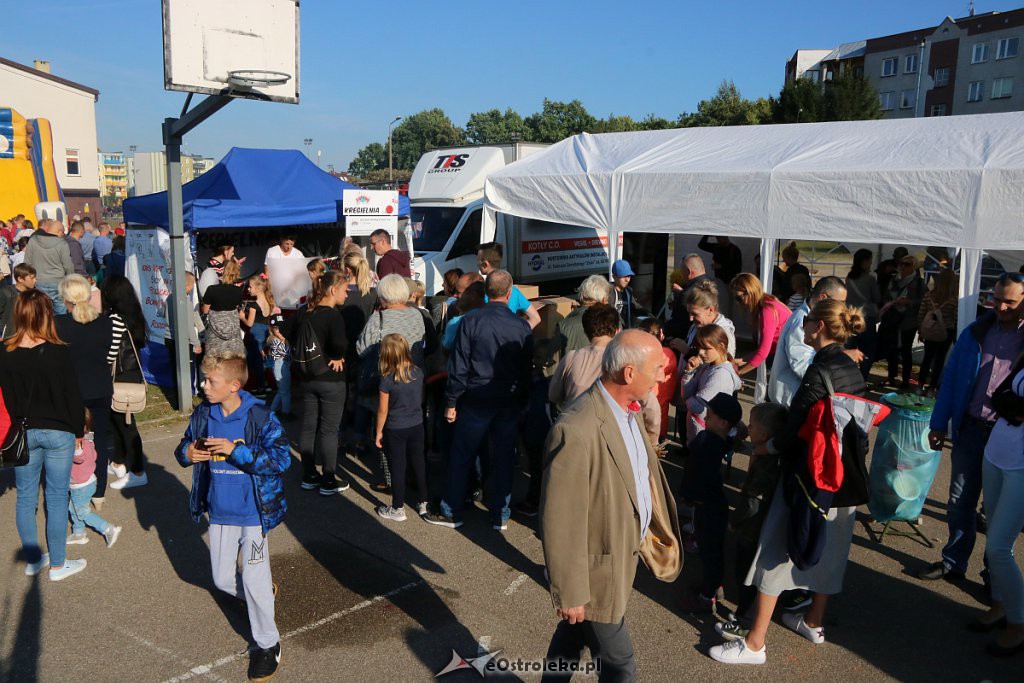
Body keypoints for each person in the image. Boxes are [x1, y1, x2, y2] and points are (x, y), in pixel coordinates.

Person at [710, 299, 870, 665]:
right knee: (831, 548)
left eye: (808, 320)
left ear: (819, 327)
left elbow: (795, 427)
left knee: (774, 552)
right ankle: (813, 621)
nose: (802, 326)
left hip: (807, 475)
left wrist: (764, 447)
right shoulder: (852, 366)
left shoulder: (820, 370)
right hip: (841, 477)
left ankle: (754, 643)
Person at [540, 329, 681, 681]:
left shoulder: (626, 410)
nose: (664, 377)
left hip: (618, 558)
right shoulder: (576, 429)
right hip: (594, 575)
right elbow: (560, 519)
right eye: (658, 369)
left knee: (570, 645)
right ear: (629, 374)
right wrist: (571, 592)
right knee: (620, 665)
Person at [174, 353, 289, 682]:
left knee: (253, 581)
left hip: (253, 514)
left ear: (234, 386)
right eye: (204, 379)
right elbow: (184, 444)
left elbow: (281, 458)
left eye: (211, 381)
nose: (204, 385)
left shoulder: (258, 415)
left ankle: (269, 644)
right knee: (223, 580)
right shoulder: (204, 413)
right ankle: (264, 592)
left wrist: (236, 450)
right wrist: (187, 453)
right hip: (220, 512)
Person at [918, 272, 1024, 582]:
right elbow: (950, 380)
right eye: (996, 299)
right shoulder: (974, 332)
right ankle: (953, 561)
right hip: (971, 430)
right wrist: (938, 424)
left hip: (1008, 437)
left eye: (1010, 302)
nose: (1001, 307)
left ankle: (997, 576)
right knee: (959, 501)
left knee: (999, 513)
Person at [424, 270, 534, 530]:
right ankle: (500, 514)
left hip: (475, 398)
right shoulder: (520, 326)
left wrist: (451, 402)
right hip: (506, 400)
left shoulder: (470, 322)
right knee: (504, 456)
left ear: (486, 292)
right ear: (510, 294)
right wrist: (523, 401)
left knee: (462, 454)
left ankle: (452, 510)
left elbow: (459, 367)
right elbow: (525, 370)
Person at [0, 289, 87, 581]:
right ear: (45, 314)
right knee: (56, 496)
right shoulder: (59, 350)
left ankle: (34, 559)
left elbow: (8, 397)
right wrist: (78, 429)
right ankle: (59, 565)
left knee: (26, 498)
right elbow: (72, 395)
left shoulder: (5, 351)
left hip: (23, 429)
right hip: (59, 429)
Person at [971, 353, 1024, 656]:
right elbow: (999, 394)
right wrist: (1014, 408)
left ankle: (1019, 623)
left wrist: (1010, 406)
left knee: (999, 548)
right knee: (997, 538)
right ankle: (1001, 605)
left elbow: (1006, 400)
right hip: (997, 453)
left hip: (1020, 467)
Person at [282, 270, 349, 495]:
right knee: (329, 430)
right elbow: (340, 344)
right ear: (332, 290)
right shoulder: (333, 315)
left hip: (307, 376)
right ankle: (328, 479)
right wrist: (337, 356)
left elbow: (283, 330)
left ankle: (309, 475)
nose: (347, 294)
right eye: (344, 289)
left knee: (308, 426)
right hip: (331, 378)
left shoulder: (303, 313)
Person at [725, 402, 788, 633]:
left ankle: (743, 617)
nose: (748, 429)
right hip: (765, 525)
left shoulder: (764, 463)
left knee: (745, 572)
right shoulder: (774, 457)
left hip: (751, 530)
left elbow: (752, 503)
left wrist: (735, 521)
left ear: (763, 434)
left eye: (751, 426)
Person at [56, 274, 116, 508]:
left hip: (71, 392)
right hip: (100, 387)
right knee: (99, 439)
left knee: (69, 442)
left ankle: (72, 486)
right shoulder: (105, 322)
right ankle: (98, 491)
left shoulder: (59, 324)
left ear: (66, 299)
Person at [680, 393, 743, 615]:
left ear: (723, 423)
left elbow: (694, 473)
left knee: (710, 552)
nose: (706, 416)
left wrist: (688, 495)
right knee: (713, 549)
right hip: (713, 502)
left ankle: (707, 597)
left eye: (712, 414)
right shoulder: (722, 440)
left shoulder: (706, 440)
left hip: (707, 503)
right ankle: (714, 587)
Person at [768, 276, 848, 408]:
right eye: (840, 302)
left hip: (798, 396)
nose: (843, 307)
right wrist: (832, 378)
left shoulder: (814, 318)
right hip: (789, 400)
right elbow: (802, 366)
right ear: (823, 298)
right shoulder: (801, 322)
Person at [374, 333, 428, 522]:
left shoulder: (387, 380)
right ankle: (423, 501)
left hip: (395, 427)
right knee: (418, 462)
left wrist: (378, 431)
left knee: (398, 466)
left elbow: (382, 410)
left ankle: (398, 507)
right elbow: (420, 399)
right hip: (417, 424)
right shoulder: (418, 372)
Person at [102, 274, 150, 491]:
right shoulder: (133, 315)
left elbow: (110, 353)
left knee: (126, 425)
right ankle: (119, 463)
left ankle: (138, 471)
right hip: (130, 375)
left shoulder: (114, 319)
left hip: (120, 377)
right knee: (119, 422)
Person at [548, 303, 619, 413]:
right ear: (617, 331)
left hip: (574, 424)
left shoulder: (571, 358)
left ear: (585, 332)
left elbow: (553, 395)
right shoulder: (624, 361)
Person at [67, 408, 122, 547]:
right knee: (74, 508)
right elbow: (95, 456)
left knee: (82, 512)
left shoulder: (78, 443)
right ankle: (79, 533)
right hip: (87, 482)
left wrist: (74, 448)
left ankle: (108, 529)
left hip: (81, 485)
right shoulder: (89, 438)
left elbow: (79, 458)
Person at [680, 324, 742, 445]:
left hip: (707, 437)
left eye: (706, 348)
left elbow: (697, 407)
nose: (701, 352)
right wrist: (689, 372)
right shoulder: (707, 366)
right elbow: (686, 394)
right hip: (698, 433)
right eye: (699, 348)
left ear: (721, 346)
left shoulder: (721, 375)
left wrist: (688, 399)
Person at [878, 253, 924, 391]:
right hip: (892, 320)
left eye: (907, 264)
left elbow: (923, 301)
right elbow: (884, 297)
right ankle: (891, 378)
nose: (903, 267)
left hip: (908, 322)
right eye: (901, 264)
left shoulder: (919, 283)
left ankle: (905, 380)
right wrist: (890, 303)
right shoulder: (894, 281)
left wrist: (908, 302)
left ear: (914, 267)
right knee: (891, 350)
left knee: (905, 351)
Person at [730, 273, 792, 377]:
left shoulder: (767, 310)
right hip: (782, 355)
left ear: (749, 292)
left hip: (784, 358)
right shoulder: (767, 301)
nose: (738, 303)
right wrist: (740, 360)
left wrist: (738, 374)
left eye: (739, 298)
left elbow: (763, 352)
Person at [476, 242, 541, 329]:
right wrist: (519, 332)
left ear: (485, 264)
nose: (477, 264)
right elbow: (536, 318)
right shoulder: (514, 290)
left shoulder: (479, 291)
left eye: (478, 260)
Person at [163, 271, 204, 406]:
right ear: (188, 286)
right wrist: (196, 343)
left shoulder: (169, 298)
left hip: (169, 338)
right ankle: (184, 400)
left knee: (176, 370)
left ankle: (177, 398)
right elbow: (187, 325)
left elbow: (163, 314)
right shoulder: (184, 301)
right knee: (185, 371)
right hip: (182, 341)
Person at [917, 268, 959, 396]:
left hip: (929, 330)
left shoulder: (928, 295)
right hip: (946, 331)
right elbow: (956, 318)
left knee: (927, 358)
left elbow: (921, 314)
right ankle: (932, 388)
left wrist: (921, 330)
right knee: (939, 360)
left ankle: (920, 386)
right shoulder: (953, 299)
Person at [637, 318, 678, 445]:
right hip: (661, 406)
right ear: (661, 334)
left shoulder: (639, 352)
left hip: (641, 401)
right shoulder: (668, 354)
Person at [24, 218, 75, 315]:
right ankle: (59, 329)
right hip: (58, 281)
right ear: (59, 231)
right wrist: (71, 280)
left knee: (43, 312)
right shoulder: (62, 243)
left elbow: (27, 262)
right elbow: (68, 265)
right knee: (61, 312)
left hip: (39, 281)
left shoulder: (33, 240)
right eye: (63, 232)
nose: (63, 235)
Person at [554, 274, 613, 357]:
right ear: (603, 301)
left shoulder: (563, 325)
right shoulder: (613, 322)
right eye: (607, 300)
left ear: (582, 298)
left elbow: (553, 364)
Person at [845, 249, 881, 380]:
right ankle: (862, 378)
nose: (871, 264)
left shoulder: (849, 277)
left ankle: (848, 377)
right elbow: (877, 297)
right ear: (864, 262)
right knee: (868, 351)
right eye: (870, 261)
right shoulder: (870, 278)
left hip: (851, 317)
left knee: (849, 348)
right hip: (867, 318)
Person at [202, 259, 246, 357]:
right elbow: (240, 310)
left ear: (223, 271)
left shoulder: (211, 289)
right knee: (233, 362)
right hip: (233, 335)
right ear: (236, 273)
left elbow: (205, 310)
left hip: (214, 334)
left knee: (214, 363)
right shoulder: (239, 291)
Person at [242, 275, 278, 391]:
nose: (248, 289)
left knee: (254, 361)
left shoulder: (254, 305)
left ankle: (259, 386)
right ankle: (265, 383)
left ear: (258, 288)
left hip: (254, 334)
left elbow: (249, 323)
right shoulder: (268, 302)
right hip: (264, 332)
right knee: (261, 360)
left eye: (250, 287)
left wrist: (242, 317)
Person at [266, 312, 292, 418]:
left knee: (282, 391)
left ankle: (271, 411)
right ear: (272, 328)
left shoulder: (281, 339)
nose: (279, 330)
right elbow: (287, 352)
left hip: (283, 365)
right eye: (276, 328)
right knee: (285, 393)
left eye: (281, 327)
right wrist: (284, 339)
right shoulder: (274, 340)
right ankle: (286, 413)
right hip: (280, 365)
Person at [0, 263, 36, 336]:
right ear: (20, 279)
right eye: (31, 278)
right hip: (10, 335)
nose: (35, 280)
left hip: (30, 335)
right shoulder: (5, 293)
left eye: (35, 277)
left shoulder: (35, 294)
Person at [608, 259, 638, 329]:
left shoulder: (628, 291)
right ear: (614, 277)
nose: (627, 280)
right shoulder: (609, 292)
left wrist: (649, 315)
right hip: (614, 331)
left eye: (629, 276)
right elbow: (612, 313)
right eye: (624, 276)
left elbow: (635, 306)